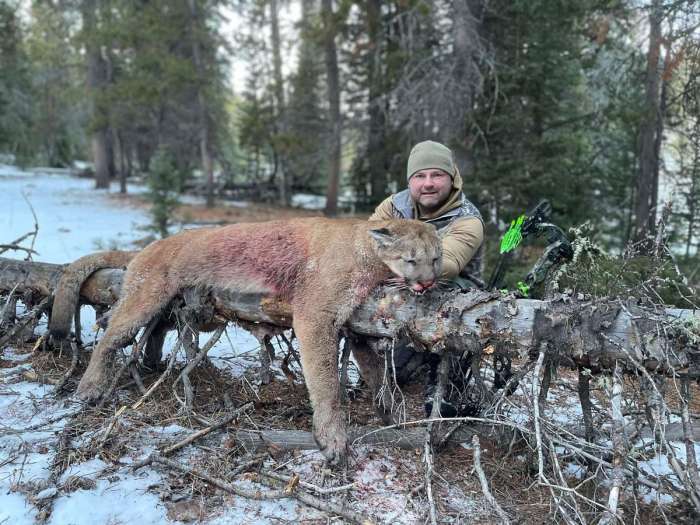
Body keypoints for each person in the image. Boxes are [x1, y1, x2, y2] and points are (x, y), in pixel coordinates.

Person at [369, 140, 485, 416]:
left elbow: (450, 263)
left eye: (437, 175)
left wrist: (397, 261)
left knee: (454, 304)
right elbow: (367, 241)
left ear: (452, 178)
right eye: (420, 176)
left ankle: (446, 380)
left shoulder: (467, 219)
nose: (428, 183)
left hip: (451, 293)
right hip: (404, 291)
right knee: (394, 374)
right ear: (410, 181)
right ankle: (413, 350)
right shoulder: (394, 207)